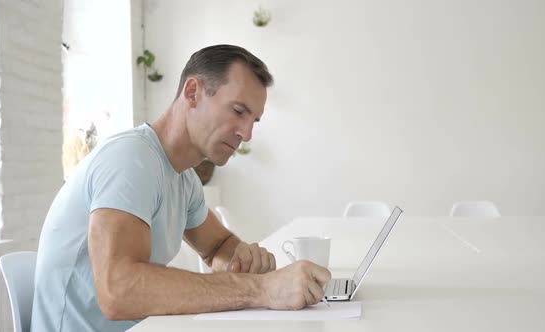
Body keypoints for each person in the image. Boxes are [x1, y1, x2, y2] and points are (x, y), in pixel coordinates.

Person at [31, 44, 331, 332]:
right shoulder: (131, 160)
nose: (247, 133)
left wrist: (242, 259)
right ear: (192, 93)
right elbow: (117, 291)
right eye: (238, 111)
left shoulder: (183, 178)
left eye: (254, 120)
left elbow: (217, 247)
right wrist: (260, 289)